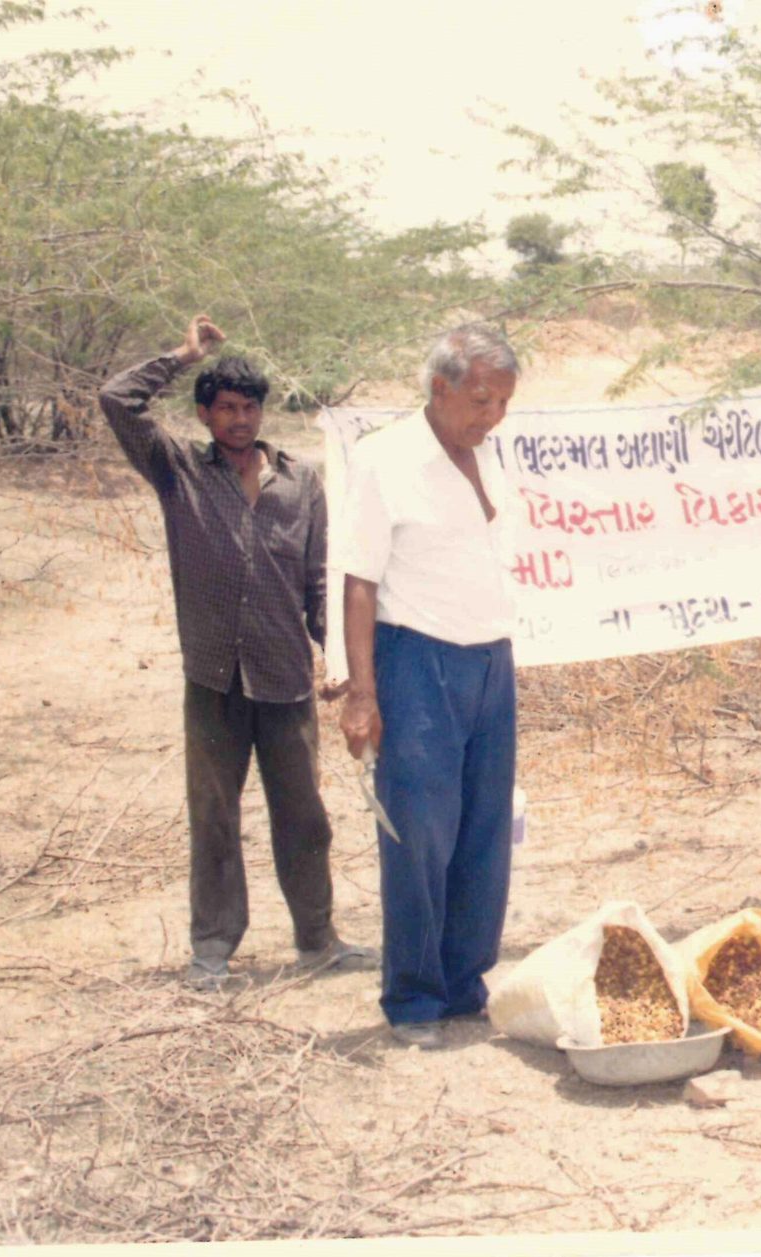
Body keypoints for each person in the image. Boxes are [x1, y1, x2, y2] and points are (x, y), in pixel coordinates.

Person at [98, 315, 377, 990]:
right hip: (214, 680)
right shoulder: (177, 472)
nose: (240, 419)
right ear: (204, 413)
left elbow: (316, 577)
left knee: (304, 817)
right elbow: (116, 400)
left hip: (284, 679)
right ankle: (213, 951)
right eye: (226, 407)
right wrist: (183, 354)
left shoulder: (300, 481)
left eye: (250, 407)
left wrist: (336, 656)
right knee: (215, 818)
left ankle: (318, 938)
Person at [339, 323, 522, 1049]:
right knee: (419, 832)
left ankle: (462, 983)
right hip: (416, 660)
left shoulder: (489, 454)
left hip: (490, 662)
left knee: (485, 830)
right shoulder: (386, 459)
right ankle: (413, 998)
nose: (492, 417)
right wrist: (362, 692)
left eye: (504, 403)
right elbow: (359, 581)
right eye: (481, 400)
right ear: (440, 387)